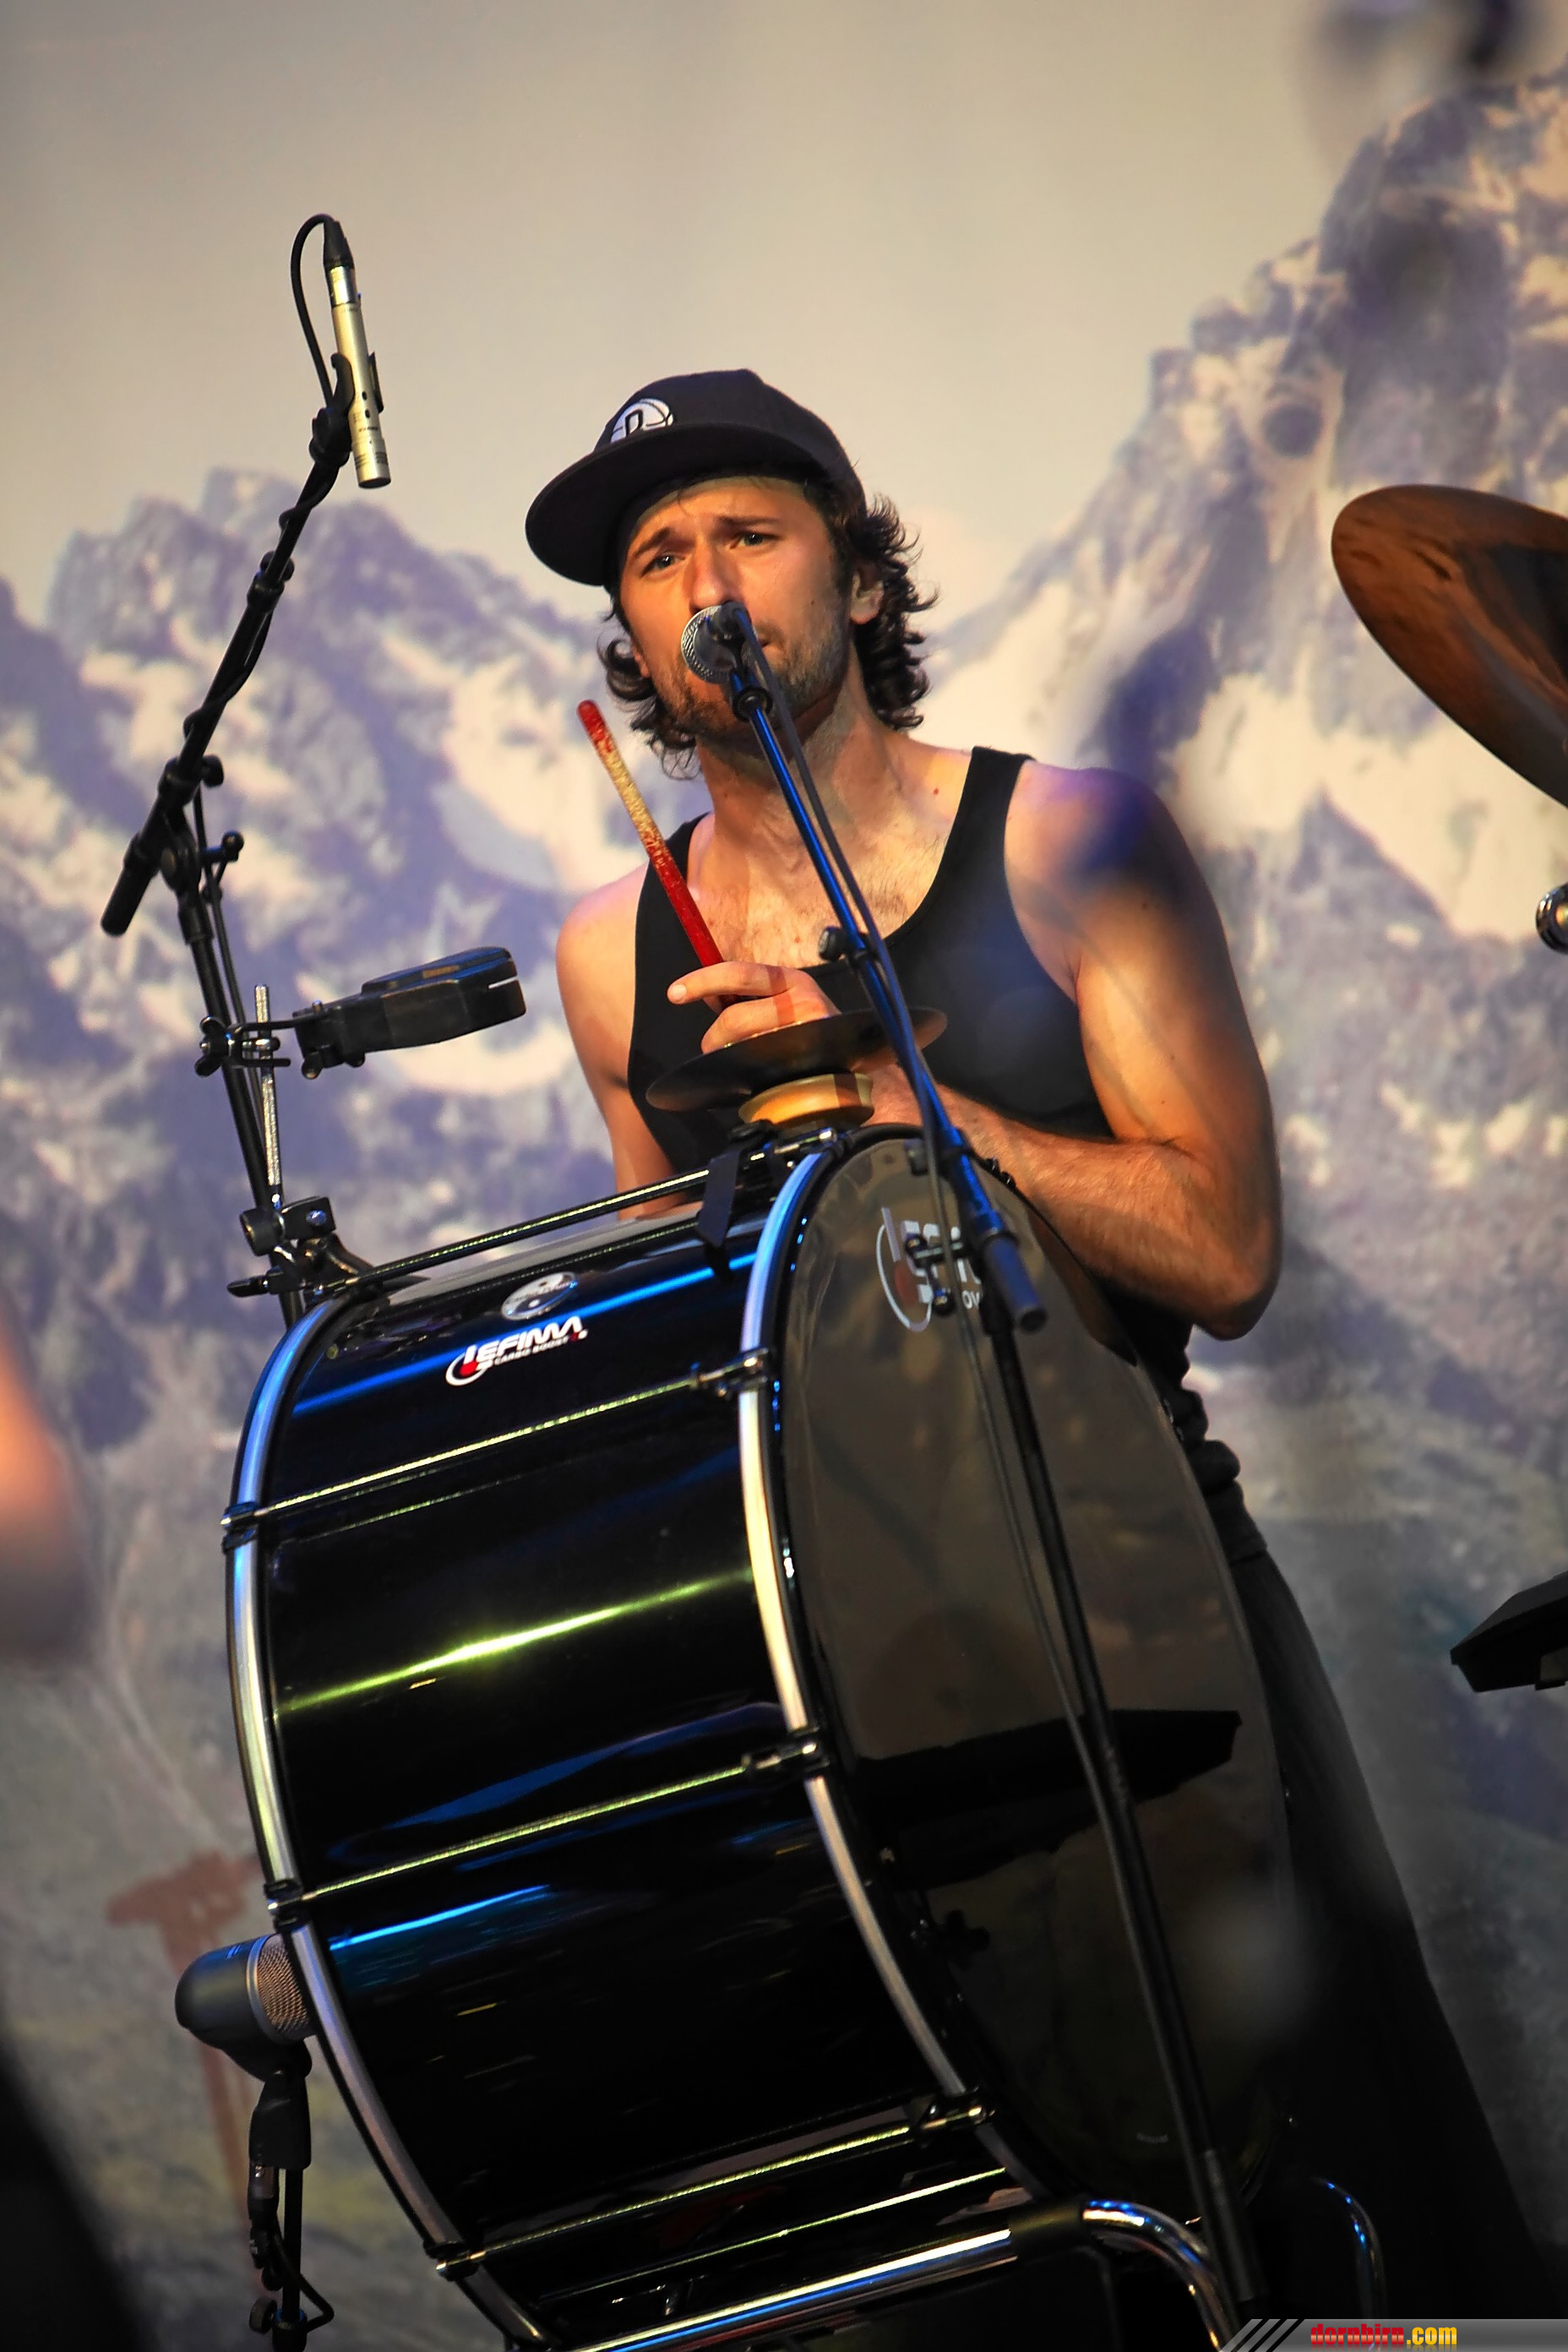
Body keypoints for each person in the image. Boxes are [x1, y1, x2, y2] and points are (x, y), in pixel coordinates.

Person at [527, 370, 1553, 2327]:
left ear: (856, 573)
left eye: (748, 532)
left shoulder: (1067, 841)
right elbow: (682, 1352)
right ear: (629, 643)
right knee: (1007, 2239)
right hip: (852, 1670)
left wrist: (895, 1100)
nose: (705, 582)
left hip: (1135, 1593)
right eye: (655, 559)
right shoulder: (609, 957)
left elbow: (1225, 1249)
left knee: (1327, 2169)